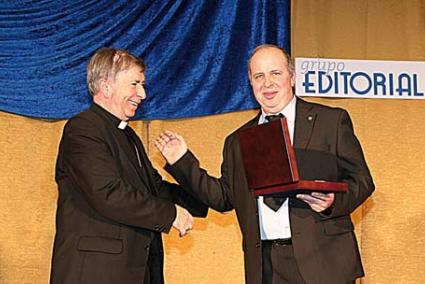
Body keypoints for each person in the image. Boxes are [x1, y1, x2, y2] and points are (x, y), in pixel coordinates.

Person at [155, 44, 375, 284]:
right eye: (259, 76)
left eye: (275, 73)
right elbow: (224, 197)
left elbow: (362, 181)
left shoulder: (330, 121)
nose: (267, 83)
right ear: (250, 82)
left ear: (292, 77)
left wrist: (333, 202)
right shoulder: (238, 140)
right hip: (266, 267)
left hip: (325, 263)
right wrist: (181, 161)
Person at [50, 47, 207, 284]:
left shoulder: (128, 136)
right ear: (106, 86)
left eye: (142, 85)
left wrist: (205, 195)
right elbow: (107, 193)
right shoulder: (82, 129)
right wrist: (171, 214)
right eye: (134, 84)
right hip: (96, 273)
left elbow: (155, 189)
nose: (142, 93)